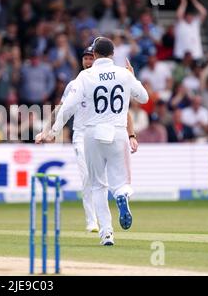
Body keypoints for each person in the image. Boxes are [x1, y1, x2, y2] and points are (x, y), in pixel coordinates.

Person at [42, 37, 148, 245]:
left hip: (91, 134)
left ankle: (106, 233)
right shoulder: (123, 74)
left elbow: (68, 107)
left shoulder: (85, 76)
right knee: (122, 183)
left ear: (96, 55)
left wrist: (52, 131)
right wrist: (132, 78)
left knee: (97, 186)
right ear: (112, 54)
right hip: (118, 133)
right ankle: (122, 195)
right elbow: (143, 98)